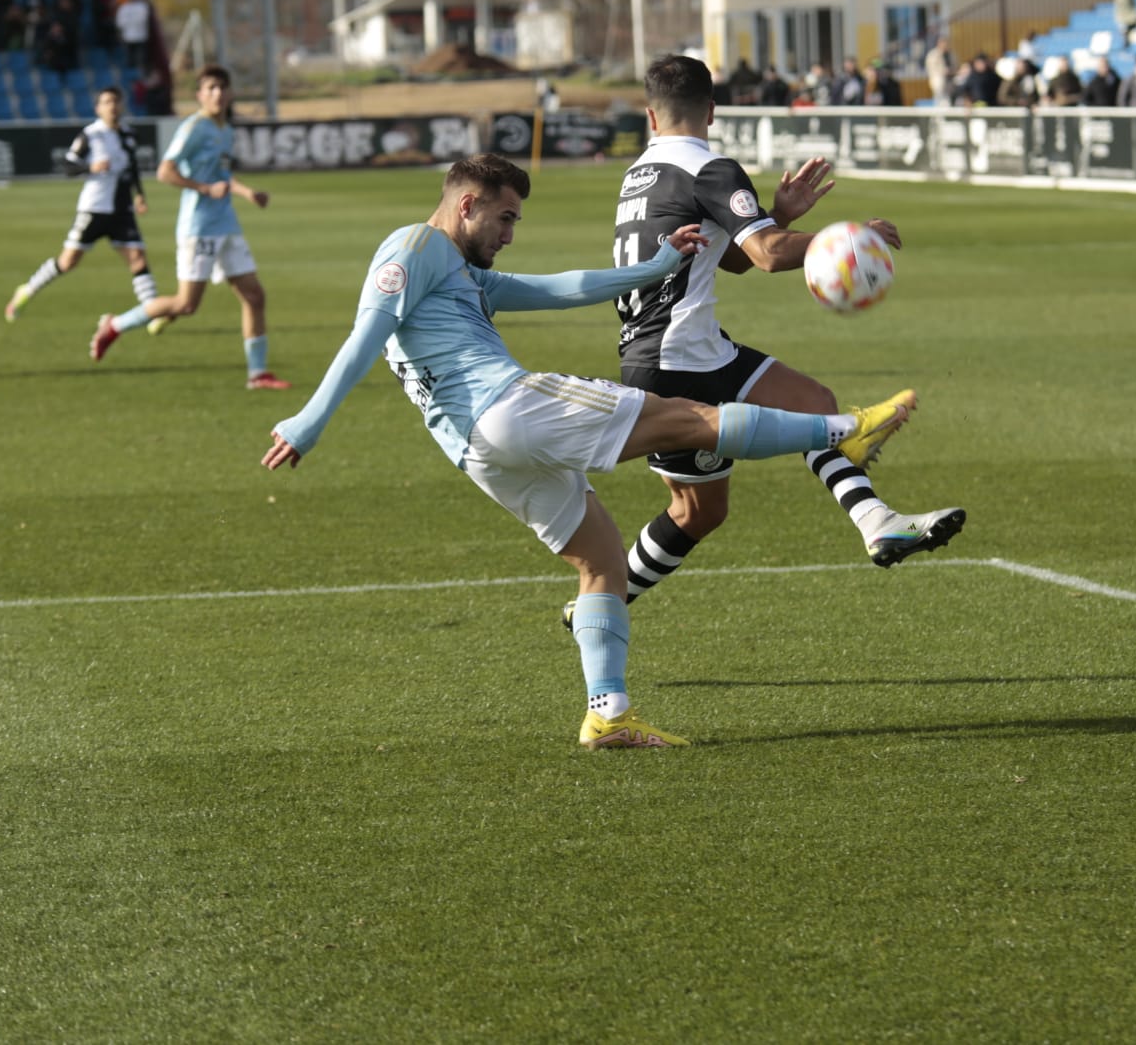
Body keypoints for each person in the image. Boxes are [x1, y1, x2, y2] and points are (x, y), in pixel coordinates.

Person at [260, 152, 919, 748]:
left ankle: (608, 712)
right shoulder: (416, 247)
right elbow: (364, 333)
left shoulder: (458, 270)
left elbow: (559, 286)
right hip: (507, 406)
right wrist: (309, 422)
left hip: (475, 452)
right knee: (691, 420)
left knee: (602, 556)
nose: (510, 233)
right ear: (467, 204)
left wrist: (658, 266)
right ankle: (843, 430)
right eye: (505, 217)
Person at [594, 51, 963, 629]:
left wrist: (778, 216)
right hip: (685, 354)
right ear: (712, 110)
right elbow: (764, 257)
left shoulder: (639, 175)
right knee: (812, 408)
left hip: (653, 356)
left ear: (649, 115)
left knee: (697, 509)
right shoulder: (708, 167)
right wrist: (849, 235)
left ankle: (598, 605)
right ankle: (876, 519)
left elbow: (734, 259)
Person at [89, 65, 286, 388]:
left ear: (230, 93)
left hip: (226, 224)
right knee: (186, 304)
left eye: (222, 87)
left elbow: (222, 175)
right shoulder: (194, 128)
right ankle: (115, 325)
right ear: (199, 95)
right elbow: (165, 172)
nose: (218, 94)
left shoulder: (226, 129)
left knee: (254, 295)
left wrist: (247, 192)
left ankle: (258, 374)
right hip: (200, 226)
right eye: (210, 88)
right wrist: (205, 189)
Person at [7, 87, 158, 323]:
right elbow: (67, 166)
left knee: (137, 257)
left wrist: (139, 194)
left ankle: (152, 312)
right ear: (98, 108)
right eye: (107, 102)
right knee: (68, 261)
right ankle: (27, 289)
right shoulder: (90, 135)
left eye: (116, 101)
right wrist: (91, 168)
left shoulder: (130, 135)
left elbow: (132, 168)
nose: (112, 106)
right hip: (95, 208)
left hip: (121, 209)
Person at [115, 0, 152, 70]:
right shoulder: (124, 8)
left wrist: (130, 22)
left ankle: (142, 72)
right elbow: (120, 22)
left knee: (142, 57)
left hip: (140, 36)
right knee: (130, 58)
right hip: (128, 37)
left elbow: (142, 19)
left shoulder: (142, 6)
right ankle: (132, 74)